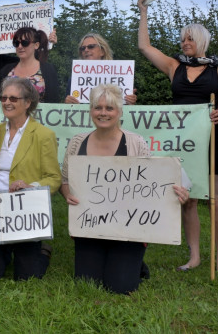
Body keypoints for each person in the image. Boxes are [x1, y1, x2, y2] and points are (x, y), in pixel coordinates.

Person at [60, 84, 189, 294]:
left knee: (120, 287)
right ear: (90, 110)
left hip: (128, 230)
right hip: (90, 228)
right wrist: (68, 195)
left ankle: (136, 264)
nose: (103, 113)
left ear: (120, 112)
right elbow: (65, 180)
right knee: (86, 282)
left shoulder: (135, 142)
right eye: (97, 108)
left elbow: (152, 183)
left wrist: (178, 193)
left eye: (109, 108)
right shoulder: (77, 142)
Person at [137, 0, 218, 274]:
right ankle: (195, 256)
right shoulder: (174, 66)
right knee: (187, 198)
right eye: (182, 39)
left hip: (209, 142)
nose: (184, 43)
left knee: (216, 199)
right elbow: (144, 47)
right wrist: (143, 11)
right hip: (181, 142)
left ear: (201, 40)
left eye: (189, 38)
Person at [0, 77, 61, 280]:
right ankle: (3, 250)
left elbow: (53, 179)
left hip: (23, 212)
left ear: (27, 103)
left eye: (13, 98)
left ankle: (43, 251)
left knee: (27, 276)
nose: (7, 102)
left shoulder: (44, 135)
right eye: (4, 97)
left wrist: (30, 186)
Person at [64, 33, 138, 105]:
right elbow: (68, 109)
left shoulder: (120, 74)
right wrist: (68, 102)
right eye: (82, 48)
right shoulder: (75, 78)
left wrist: (130, 102)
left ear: (102, 51)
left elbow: (123, 109)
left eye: (91, 46)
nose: (86, 50)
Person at [0, 27, 61, 103]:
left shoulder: (48, 70)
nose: (20, 46)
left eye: (25, 43)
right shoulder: (6, 69)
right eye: (16, 43)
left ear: (36, 45)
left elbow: (54, 101)